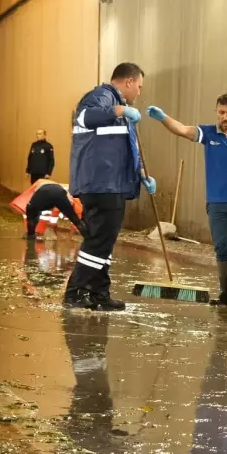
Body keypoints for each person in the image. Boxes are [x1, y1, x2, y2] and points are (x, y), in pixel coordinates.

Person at [146, 94, 227, 308]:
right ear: (217, 112)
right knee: (222, 249)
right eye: (221, 112)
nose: (225, 117)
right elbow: (182, 130)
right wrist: (163, 118)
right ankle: (226, 296)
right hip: (217, 204)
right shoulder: (208, 133)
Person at [63, 62, 156, 311]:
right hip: (101, 183)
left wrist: (142, 174)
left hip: (111, 183)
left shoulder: (119, 109)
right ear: (127, 82)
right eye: (138, 86)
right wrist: (119, 110)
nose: (139, 92)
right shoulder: (101, 97)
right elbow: (85, 116)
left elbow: (124, 150)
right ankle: (75, 292)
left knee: (104, 241)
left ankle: (98, 294)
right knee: (98, 242)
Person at [20, 179, 85, 241]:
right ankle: (88, 235)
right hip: (59, 194)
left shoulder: (37, 185)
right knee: (74, 218)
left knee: (31, 212)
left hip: (45, 194)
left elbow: (32, 204)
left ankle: (31, 235)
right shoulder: (63, 188)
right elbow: (69, 199)